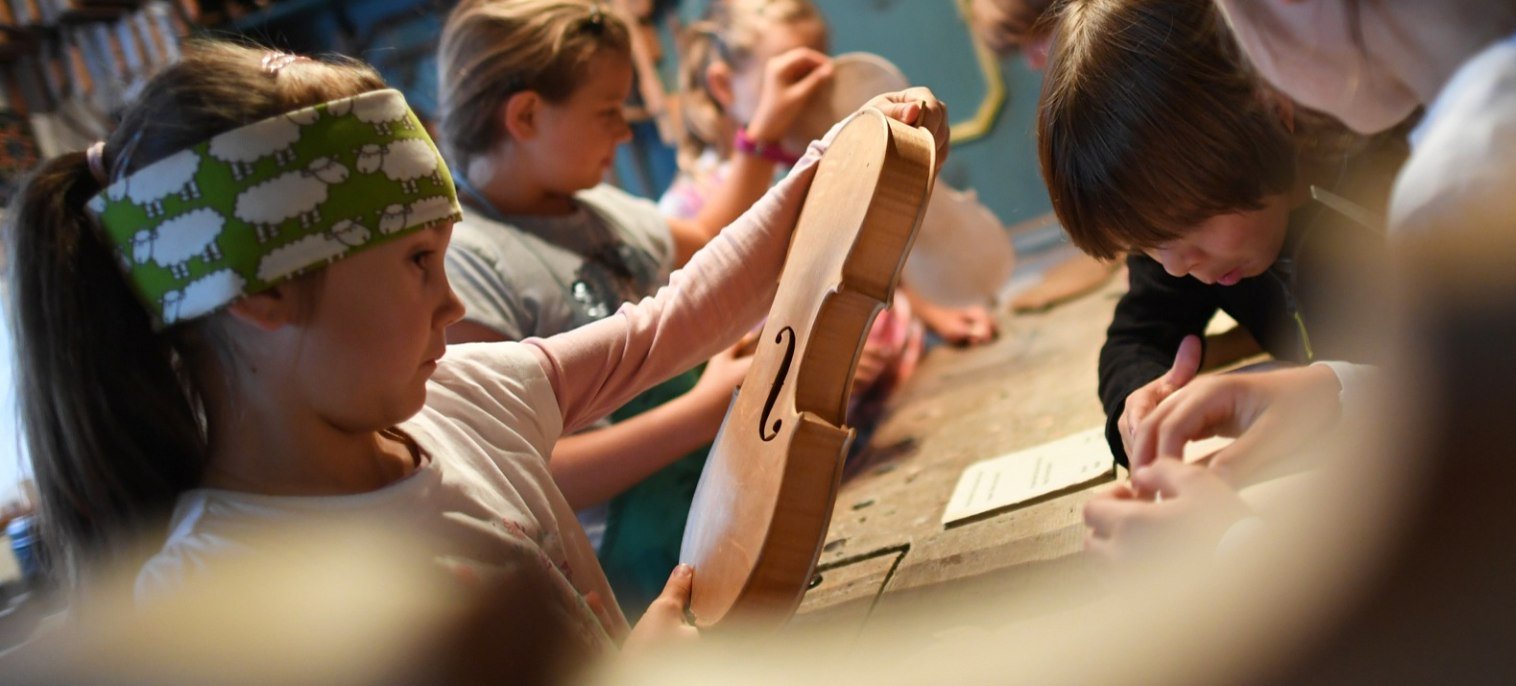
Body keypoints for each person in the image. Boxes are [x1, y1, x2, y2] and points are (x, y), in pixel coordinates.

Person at [3, 37, 947, 656]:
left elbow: (668, 322)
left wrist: (830, 166)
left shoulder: (456, 396)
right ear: (263, 291)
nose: (452, 302)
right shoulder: (210, 618)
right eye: (418, 262)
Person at [1091, 0, 1516, 558]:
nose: (1248, 62)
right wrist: (1335, 390)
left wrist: (1223, 543)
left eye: (1235, 21)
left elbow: (1512, 535)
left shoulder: (1466, 183)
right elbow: (1515, 393)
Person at [433, 0, 836, 615]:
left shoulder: (598, 206)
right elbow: (527, 466)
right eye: (607, 111)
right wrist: (703, 411)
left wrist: (760, 137)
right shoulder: (466, 264)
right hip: (631, 581)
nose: (624, 130)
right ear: (526, 114)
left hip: (716, 517)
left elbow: (708, 243)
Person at [1037, 0, 1385, 465]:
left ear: (1266, 113)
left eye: (1186, 225)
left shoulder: (1393, 189)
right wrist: (1138, 406)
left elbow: (1490, 370)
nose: (1176, 265)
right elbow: (1137, 335)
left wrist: (1330, 390)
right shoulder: (1188, 245)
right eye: (1145, 243)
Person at [665, 0, 999, 353]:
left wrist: (931, 308)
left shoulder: (824, 157)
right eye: (797, 75)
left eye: (826, 63)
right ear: (724, 88)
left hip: (907, 362)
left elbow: (870, 260)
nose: (822, 87)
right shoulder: (688, 207)